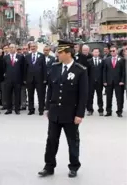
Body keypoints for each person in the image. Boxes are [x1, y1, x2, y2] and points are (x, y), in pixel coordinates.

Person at [38, 40, 88, 178]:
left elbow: (83, 95)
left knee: (72, 141)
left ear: (68, 53)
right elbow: (51, 89)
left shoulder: (80, 70)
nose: (57, 54)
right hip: (55, 112)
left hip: (71, 113)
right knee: (51, 140)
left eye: (60, 52)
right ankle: (49, 166)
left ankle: (74, 166)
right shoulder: (54, 67)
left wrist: (80, 114)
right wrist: (47, 108)